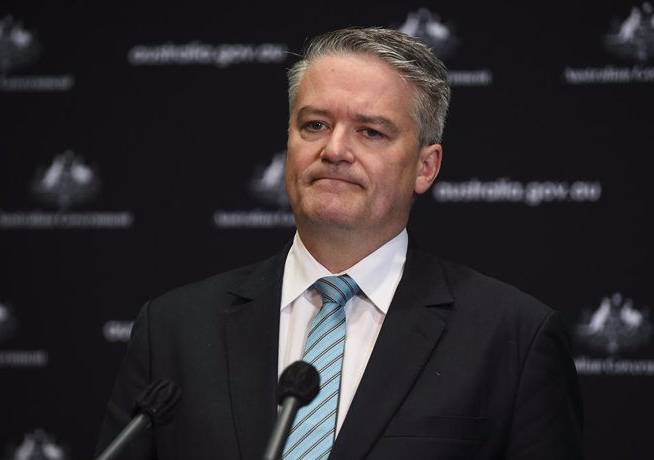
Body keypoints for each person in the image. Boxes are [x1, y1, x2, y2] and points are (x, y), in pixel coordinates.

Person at [94, 26, 584, 459]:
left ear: (426, 166)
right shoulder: (174, 328)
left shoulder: (513, 339)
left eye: (370, 132)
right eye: (315, 125)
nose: (334, 150)